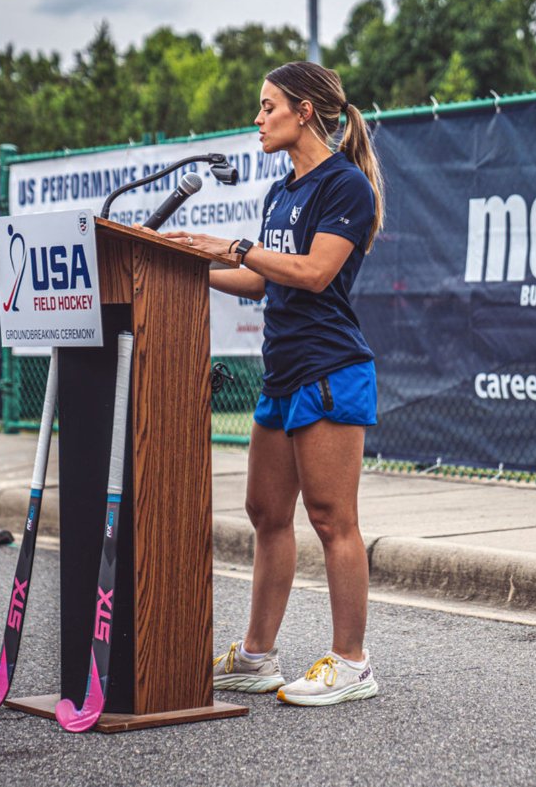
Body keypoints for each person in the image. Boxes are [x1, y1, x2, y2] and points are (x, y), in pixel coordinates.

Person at [154, 61, 383, 706]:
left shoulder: (345, 187)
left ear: (304, 110)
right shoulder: (280, 192)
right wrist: (190, 264)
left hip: (331, 370)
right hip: (281, 374)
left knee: (332, 518)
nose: (258, 120)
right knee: (265, 514)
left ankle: (352, 662)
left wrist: (233, 248)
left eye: (267, 107)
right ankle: (257, 658)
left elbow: (311, 272)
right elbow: (262, 279)